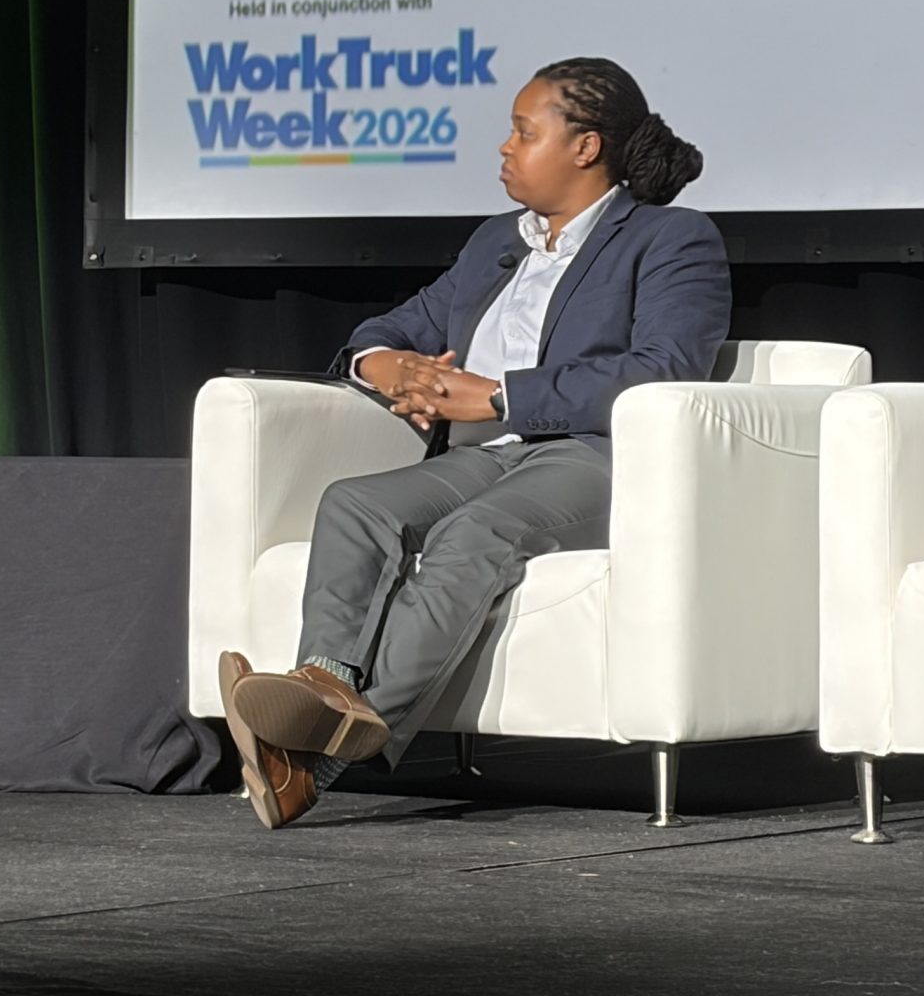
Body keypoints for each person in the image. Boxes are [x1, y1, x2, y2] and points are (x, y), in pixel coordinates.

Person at [216, 57, 733, 829]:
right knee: (354, 504)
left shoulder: (670, 238)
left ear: (585, 146)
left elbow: (665, 367)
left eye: (524, 132)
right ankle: (322, 685)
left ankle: (318, 759)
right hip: (482, 455)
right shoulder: (498, 240)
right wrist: (384, 363)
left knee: (476, 530)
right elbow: (394, 327)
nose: (505, 147)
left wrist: (498, 395)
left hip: (593, 455)